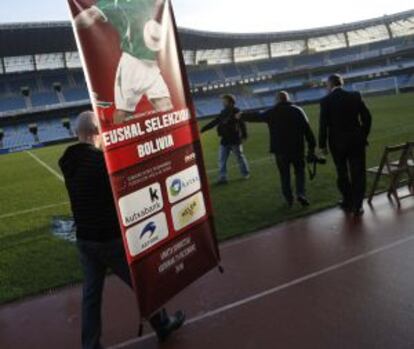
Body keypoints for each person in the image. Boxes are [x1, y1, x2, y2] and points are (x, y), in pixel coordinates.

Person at [59, 111, 185, 349]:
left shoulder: (68, 161)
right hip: (109, 239)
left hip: (84, 239)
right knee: (144, 283)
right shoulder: (100, 163)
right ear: (98, 133)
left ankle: (90, 344)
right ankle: (163, 324)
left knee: (91, 296)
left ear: (77, 134)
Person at [73, 0, 173, 125]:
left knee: (165, 104)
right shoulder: (113, 3)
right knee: (124, 112)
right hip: (132, 62)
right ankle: (119, 140)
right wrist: (73, 25)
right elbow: (91, 15)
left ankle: (172, 140)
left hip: (151, 62)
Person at [241, 91, 316, 207]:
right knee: (300, 172)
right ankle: (301, 193)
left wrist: (241, 115)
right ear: (288, 99)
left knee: (284, 175)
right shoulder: (298, 110)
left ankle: (289, 199)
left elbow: (257, 116)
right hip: (297, 148)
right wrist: (312, 147)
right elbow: (307, 131)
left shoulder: (272, 112)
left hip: (280, 150)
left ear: (277, 100)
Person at [319, 74, 372, 216]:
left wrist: (322, 145)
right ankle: (358, 205)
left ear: (330, 85)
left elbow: (323, 125)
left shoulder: (325, 100)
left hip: (337, 143)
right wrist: (363, 134)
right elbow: (367, 117)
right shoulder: (355, 96)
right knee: (358, 173)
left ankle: (348, 201)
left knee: (341, 173)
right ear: (341, 83)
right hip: (356, 141)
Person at [201, 94, 250, 184]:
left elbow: (242, 124)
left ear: (230, 102)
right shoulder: (223, 112)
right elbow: (215, 122)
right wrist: (203, 129)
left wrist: (244, 135)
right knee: (222, 159)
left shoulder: (236, 111)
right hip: (224, 140)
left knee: (239, 157)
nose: (223, 102)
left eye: (224, 100)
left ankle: (245, 173)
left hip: (235, 139)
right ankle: (223, 178)